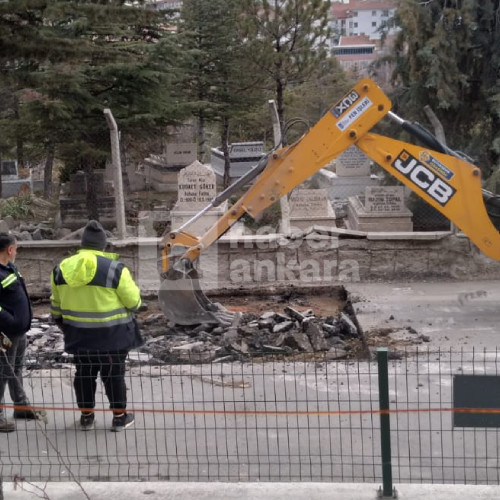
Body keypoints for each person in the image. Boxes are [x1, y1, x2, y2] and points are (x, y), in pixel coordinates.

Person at [50, 220, 142, 432]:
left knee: (83, 374)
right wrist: (137, 305)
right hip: (111, 337)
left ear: (82, 244)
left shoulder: (61, 269)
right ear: (103, 245)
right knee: (113, 376)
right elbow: (133, 302)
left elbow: (55, 306)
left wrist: (64, 325)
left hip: (79, 336)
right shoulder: (115, 269)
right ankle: (119, 418)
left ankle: (86, 417)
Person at [0, 232, 41, 433]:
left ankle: (21, 405)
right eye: (15, 248)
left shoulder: (9, 269)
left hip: (18, 331)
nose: (16, 251)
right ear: (9, 250)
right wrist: (9, 320)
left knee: (16, 367)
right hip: (6, 332)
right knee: (3, 371)